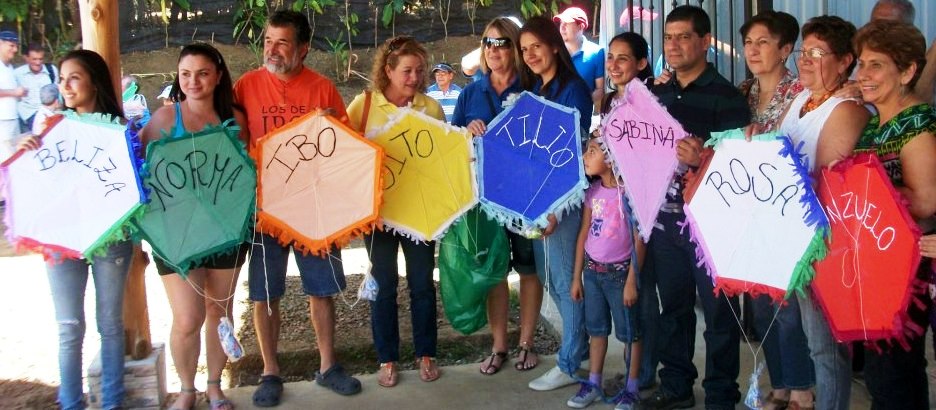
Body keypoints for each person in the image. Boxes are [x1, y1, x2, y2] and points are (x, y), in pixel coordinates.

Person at [233, 10, 361, 407]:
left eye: (282, 42)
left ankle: (328, 366)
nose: (272, 50)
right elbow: (232, 144)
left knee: (321, 291)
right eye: (268, 41)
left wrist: (331, 129)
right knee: (264, 294)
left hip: (314, 210)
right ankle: (270, 371)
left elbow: (346, 149)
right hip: (264, 211)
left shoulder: (323, 90)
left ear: (302, 49)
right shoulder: (245, 87)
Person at [644, 6, 750, 410]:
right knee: (673, 309)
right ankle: (676, 386)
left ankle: (722, 395)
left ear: (705, 42)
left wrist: (704, 157)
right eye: (669, 37)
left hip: (712, 227)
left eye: (684, 37)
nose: (674, 45)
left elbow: (740, 169)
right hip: (665, 222)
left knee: (720, 315)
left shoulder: (728, 97)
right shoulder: (656, 96)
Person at [18, 49, 133, 410]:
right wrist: (25, 151)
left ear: (93, 81)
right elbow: (37, 183)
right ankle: (71, 403)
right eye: (62, 78)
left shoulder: (121, 131)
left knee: (110, 324)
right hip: (61, 241)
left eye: (74, 78)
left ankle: (111, 402)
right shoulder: (47, 129)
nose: (65, 86)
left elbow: (131, 186)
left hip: (110, 239)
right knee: (69, 328)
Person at [139, 42, 249, 410]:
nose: (193, 81)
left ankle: (215, 386)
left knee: (220, 312)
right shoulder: (164, 119)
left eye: (202, 73)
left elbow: (245, 174)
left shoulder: (236, 117)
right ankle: (187, 389)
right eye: (185, 74)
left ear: (217, 76)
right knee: (188, 318)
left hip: (228, 232)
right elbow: (137, 174)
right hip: (178, 236)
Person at [777, 15, 869, 410]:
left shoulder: (846, 108)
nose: (807, 60)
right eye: (804, 51)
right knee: (805, 338)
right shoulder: (800, 98)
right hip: (792, 236)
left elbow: (828, 181)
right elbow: (776, 148)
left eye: (818, 53)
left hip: (824, 244)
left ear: (846, 60)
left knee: (826, 348)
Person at [346, 35, 444, 388]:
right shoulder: (365, 105)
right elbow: (346, 154)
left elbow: (441, 162)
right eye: (406, 70)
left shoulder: (430, 107)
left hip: (420, 216)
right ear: (387, 70)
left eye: (419, 70)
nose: (414, 78)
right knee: (383, 286)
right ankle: (387, 358)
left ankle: (426, 353)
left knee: (422, 285)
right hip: (379, 216)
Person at [450, 17, 542, 376]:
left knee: (529, 269)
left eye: (501, 43)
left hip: (525, 196)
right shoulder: (471, 93)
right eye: (487, 43)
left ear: (515, 48)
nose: (492, 50)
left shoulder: (533, 86)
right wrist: (467, 132)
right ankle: (500, 345)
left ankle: (527, 342)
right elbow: (453, 143)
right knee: (495, 271)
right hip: (483, 199)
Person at [853, 19, 936, 409]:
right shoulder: (874, 121)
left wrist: (864, 189)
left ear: (907, 71)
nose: (863, 74)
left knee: (895, 370)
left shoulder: (917, 122)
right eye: (861, 63)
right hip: (876, 261)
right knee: (881, 371)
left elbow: (925, 201)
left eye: (876, 65)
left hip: (909, 267)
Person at [737, 11, 816, 410]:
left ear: (786, 48)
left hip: (789, 213)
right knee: (762, 303)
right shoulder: (743, 91)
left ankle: (802, 387)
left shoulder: (802, 92)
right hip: (752, 213)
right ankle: (781, 384)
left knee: (787, 306)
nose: (753, 49)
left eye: (763, 42)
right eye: (749, 42)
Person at [517, 15, 593, 393]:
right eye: (524, 49)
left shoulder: (571, 89)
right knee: (553, 280)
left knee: (567, 282)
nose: (530, 54)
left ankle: (570, 361)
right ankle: (574, 352)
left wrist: (555, 208)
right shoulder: (536, 90)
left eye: (536, 46)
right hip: (536, 201)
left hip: (560, 203)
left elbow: (573, 156)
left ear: (553, 46)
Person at [599, 31, 658, 393]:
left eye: (623, 58)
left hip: (644, 204)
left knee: (642, 289)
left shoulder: (652, 102)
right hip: (615, 203)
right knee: (626, 287)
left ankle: (644, 372)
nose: (614, 65)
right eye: (610, 57)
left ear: (641, 63)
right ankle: (635, 369)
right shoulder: (608, 101)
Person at [568, 136, 644, 410]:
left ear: (611, 159)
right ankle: (594, 382)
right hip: (592, 273)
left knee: (630, 334)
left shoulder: (630, 195)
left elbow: (639, 239)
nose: (586, 157)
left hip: (620, 276)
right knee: (596, 330)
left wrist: (632, 282)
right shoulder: (593, 193)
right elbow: (583, 235)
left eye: (592, 152)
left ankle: (632, 389)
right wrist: (577, 277)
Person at [553, 6, 604, 114]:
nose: (562, 27)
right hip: (554, 114)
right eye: (561, 23)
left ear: (580, 27)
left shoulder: (597, 52)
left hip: (582, 117)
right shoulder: (554, 53)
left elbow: (600, 89)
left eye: (567, 23)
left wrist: (582, 101)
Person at [14, 43, 57, 132]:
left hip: (49, 114)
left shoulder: (51, 71)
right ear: (26, 58)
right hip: (29, 115)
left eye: (40, 59)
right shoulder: (17, 74)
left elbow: (58, 92)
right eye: (34, 59)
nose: (38, 63)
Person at [0, 30, 25, 161]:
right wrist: (14, 92)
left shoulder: (9, 67)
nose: (15, 49)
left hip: (13, 118)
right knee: (7, 159)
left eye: (16, 46)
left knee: (15, 157)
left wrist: (19, 95)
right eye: (11, 45)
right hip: (2, 121)